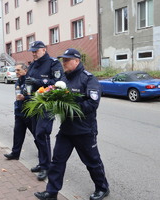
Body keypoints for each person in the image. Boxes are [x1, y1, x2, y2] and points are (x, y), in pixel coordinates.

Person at [34, 48, 109, 200]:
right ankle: (51, 192)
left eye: (67, 60)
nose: (64, 63)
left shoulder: (89, 79)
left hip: (84, 130)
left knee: (92, 162)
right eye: (63, 60)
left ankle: (102, 188)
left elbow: (92, 105)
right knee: (57, 162)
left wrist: (70, 108)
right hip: (66, 130)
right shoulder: (64, 78)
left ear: (77, 61)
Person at [26, 41, 63, 181]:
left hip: (47, 103)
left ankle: (47, 167)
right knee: (37, 134)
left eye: (36, 51)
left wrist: (38, 82)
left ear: (44, 50)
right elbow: (28, 79)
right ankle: (43, 163)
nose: (34, 53)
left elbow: (58, 82)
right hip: (35, 103)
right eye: (32, 51)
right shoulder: (34, 63)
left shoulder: (53, 63)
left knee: (42, 133)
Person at [4, 63, 35, 160]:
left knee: (37, 135)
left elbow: (33, 96)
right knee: (17, 133)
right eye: (15, 70)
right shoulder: (18, 81)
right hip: (19, 112)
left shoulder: (29, 81)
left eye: (18, 70)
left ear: (25, 71)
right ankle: (15, 153)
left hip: (29, 113)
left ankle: (43, 153)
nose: (16, 72)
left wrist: (25, 97)